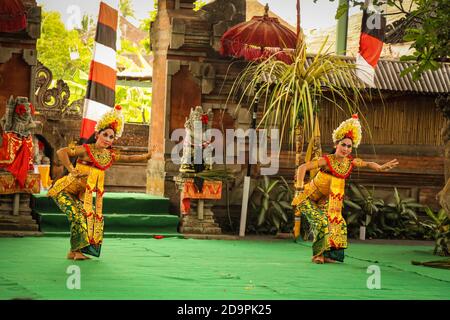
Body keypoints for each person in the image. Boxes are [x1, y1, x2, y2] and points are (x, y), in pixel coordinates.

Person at [48, 105, 152, 260]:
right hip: (63, 191)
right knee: (77, 217)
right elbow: (61, 152)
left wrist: (148, 155)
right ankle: (76, 251)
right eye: (106, 135)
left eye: (111, 137)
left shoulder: (109, 155)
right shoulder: (85, 149)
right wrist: (70, 168)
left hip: (82, 196)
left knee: (87, 217)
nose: (108, 139)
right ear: (97, 134)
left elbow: (129, 158)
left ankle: (74, 251)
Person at [292, 114, 399, 264]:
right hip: (306, 198)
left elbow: (367, 163)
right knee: (322, 223)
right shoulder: (326, 161)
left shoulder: (350, 162)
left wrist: (380, 167)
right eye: (343, 145)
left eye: (349, 146)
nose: (346, 149)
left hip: (324, 201)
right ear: (336, 144)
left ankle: (330, 256)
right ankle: (317, 255)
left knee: (338, 223)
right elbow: (303, 167)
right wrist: (299, 186)